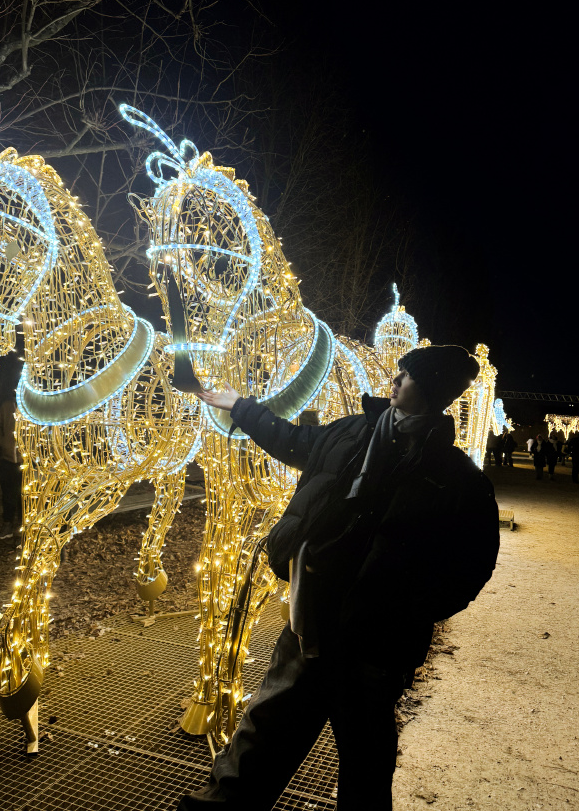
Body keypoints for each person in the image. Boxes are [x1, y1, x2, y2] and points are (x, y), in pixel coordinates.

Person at [178, 344, 500, 811]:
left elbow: (472, 565)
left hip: (373, 648)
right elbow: (293, 441)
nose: (394, 381)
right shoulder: (354, 432)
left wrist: (409, 611)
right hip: (310, 623)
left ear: (427, 391)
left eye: (405, 376)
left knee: (365, 770)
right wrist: (242, 408)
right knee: (258, 742)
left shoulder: (457, 481)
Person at [0, 391, 22, 539]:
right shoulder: (7, 406)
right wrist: (2, 442)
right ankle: (7, 526)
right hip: (7, 459)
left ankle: (23, 530)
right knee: (8, 494)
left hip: (26, 461)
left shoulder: (33, 408)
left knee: (24, 496)